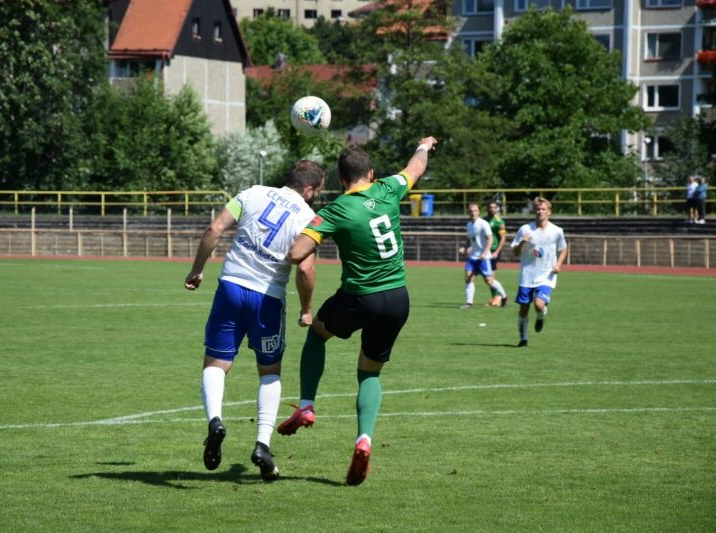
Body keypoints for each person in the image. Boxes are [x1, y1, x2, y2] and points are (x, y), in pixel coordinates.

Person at [277, 136, 438, 486]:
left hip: (358, 297)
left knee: (317, 335)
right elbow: (415, 167)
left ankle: (306, 405)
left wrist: (309, 230)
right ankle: (364, 437)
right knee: (370, 373)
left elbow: (296, 253)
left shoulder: (335, 210)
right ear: (371, 173)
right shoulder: (389, 188)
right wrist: (424, 145)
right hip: (397, 298)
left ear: (340, 180)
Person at [184, 160, 325, 481]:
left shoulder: (252, 193)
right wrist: (306, 309)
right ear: (308, 190)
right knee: (269, 372)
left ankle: (215, 421)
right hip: (268, 299)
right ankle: (262, 444)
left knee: (216, 363)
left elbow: (214, 229)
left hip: (231, 287)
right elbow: (304, 269)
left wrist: (197, 269)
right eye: (318, 191)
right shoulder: (309, 217)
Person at [511, 197, 568, 347]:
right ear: (534, 211)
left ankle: (541, 316)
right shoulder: (525, 229)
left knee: (538, 304)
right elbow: (515, 252)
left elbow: (563, 249)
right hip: (527, 275)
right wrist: (522, 242)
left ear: (549, 211)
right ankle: (523, 339)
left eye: (543, 209)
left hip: (546, 275)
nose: (540, 212)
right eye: (537, 209)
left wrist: (558, 265)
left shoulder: (557, 231)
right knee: (523, 308)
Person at [459, 203, 508, 309]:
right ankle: (469, 303)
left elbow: (490, 239)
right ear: (468, 213)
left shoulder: (483, 223)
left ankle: (504, 297)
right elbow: (470, 239)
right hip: (473, 257)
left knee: (489, 281)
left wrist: (485, 252)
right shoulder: (469, 225)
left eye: (475, 211)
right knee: (468, 277)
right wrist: (465, 247)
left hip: (484, 257)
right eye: (471, 211)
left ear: (479, 212)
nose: (473, 213)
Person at [483, 201, 507, 306]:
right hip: (484, 250)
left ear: (496, 209)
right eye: (490, 207)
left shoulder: (499, 221)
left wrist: (497, 251)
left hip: (493, 251)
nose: (491, 209)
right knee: (487, 277)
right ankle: (497, 297)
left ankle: (497, 298)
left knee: (490, 275)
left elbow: (503, 238)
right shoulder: (483, 220)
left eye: (494, 207)